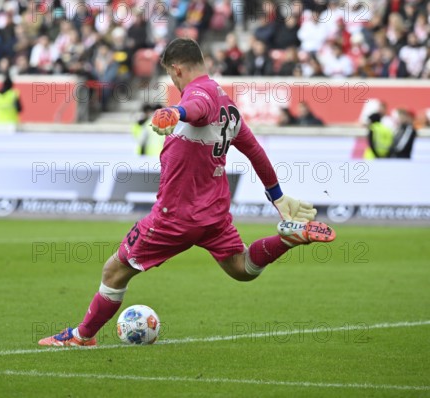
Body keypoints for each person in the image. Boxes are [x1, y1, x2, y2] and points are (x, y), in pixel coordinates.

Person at [38, 38, 336, 347]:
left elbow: (197, 108)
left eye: (171, 74)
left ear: (177, 69)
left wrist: (176, 112)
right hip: (214, 214)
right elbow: (255, 152)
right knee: (242, 268)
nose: (173, 80)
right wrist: (278, 197)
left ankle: (82, 336)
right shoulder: (228, 106)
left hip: (175, 216)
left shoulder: (199, 95)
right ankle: (287, 238)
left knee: (114, 271)